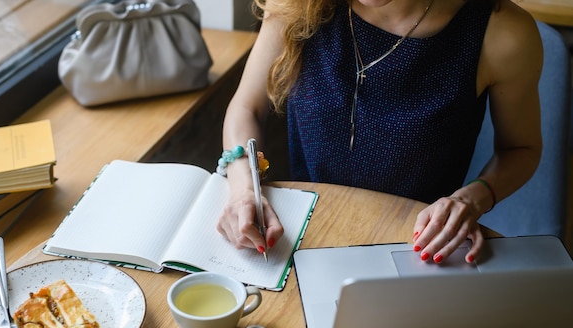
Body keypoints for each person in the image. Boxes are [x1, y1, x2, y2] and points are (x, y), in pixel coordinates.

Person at [216, 0, 543, 264]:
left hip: (413, 249)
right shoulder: (297, 5)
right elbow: (246, 108)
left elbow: (520, 150)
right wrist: (244, 189)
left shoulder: (502, 33)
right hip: (302, 236)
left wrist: (471, 199)